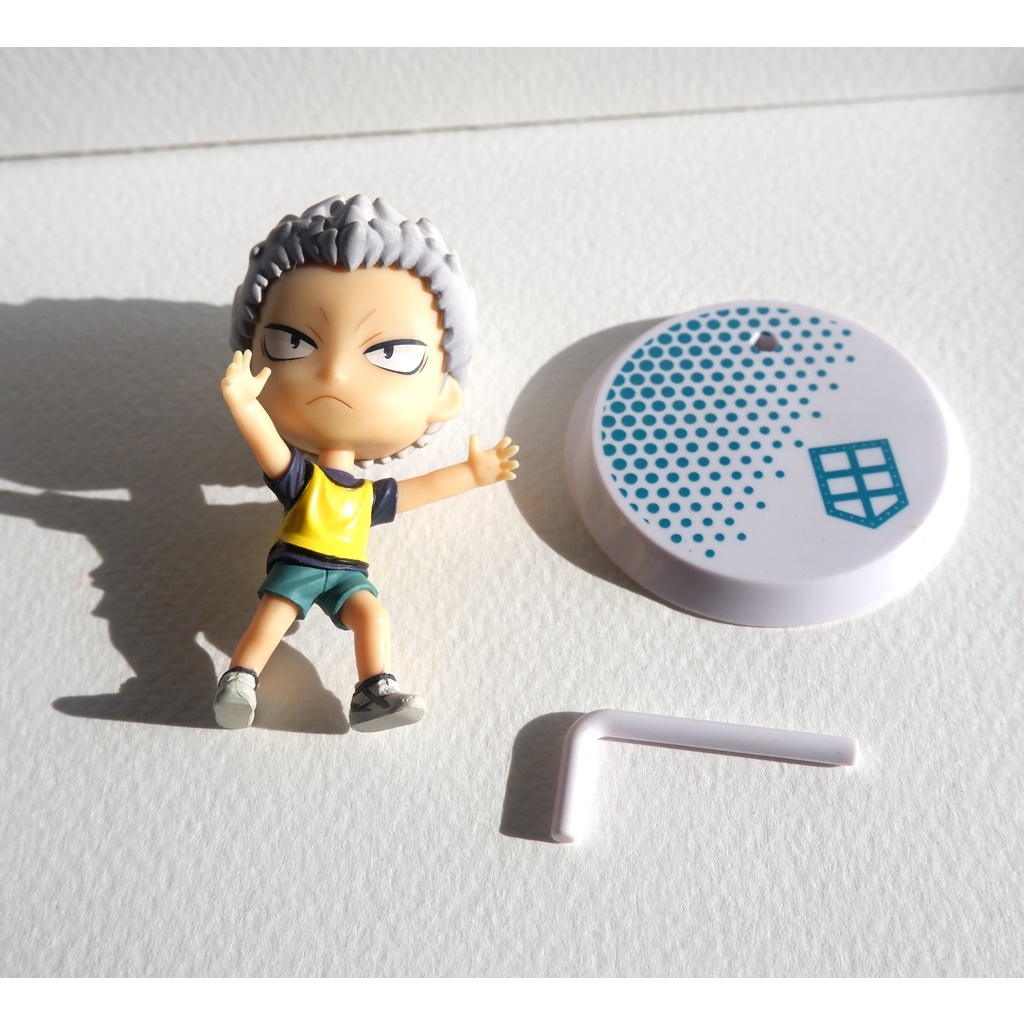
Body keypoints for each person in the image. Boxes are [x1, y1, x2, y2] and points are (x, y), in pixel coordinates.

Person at [214, 195, 518, 732]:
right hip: (299, 564)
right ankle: (239, 677)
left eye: (391, 353)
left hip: (349, 573)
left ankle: (374, 689)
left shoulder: (365, 496)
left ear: (444, 394)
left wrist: (473, 474)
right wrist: (244, 405)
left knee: (373, 616)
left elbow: (420, 491)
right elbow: (268, 446)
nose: (334, 374)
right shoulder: (301, 480)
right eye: (292, 342)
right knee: (272, 616)